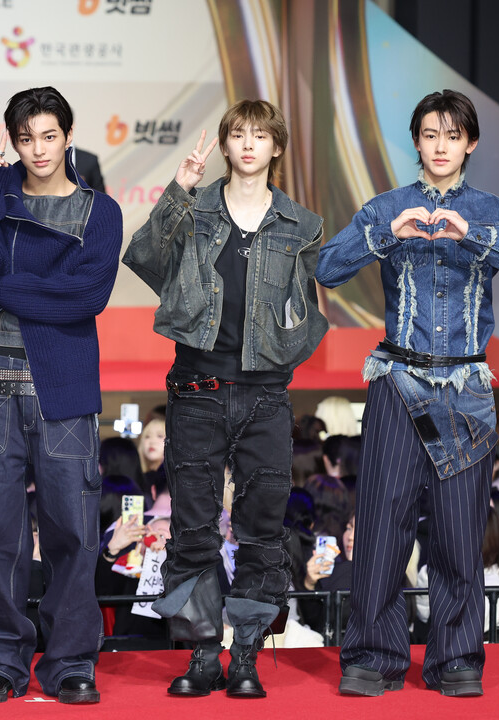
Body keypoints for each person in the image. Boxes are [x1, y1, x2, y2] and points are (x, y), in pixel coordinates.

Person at [316, 89, 499, 697]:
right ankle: (373, 655)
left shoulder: (491, 210)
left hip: (467, 389)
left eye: (452, 135)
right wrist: (384, 235)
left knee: (458, 528)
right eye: (429, 134)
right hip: (398, 379)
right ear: (417, 142)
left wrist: (473, 235)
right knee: (382, 524)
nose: (440, 145)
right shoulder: (387, 206)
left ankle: (456, 659)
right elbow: (327, 268)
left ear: (470, 143)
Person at [122, 99, 327, 698]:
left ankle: (246, 658)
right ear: (226, 143)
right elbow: (144, 259)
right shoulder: (196, 208)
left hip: (266, 395)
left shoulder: (301, 224)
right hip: (197, 390)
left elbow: (311, 309)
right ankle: (203, 655)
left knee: (262, 532)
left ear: (276, 146)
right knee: (192, 530)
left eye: (260, 135)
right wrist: (179, 190)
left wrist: (286, 351)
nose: (248, 144)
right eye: (238, 134)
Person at [0, 85, 122, 705]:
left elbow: (85, 298)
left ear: (68, 137)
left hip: (65, 393)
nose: (38, 149)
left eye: (49, 136)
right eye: (26, 139)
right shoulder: (1, 198)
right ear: (13, 143)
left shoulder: (100, 211)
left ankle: (71, 662)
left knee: (73, 534)